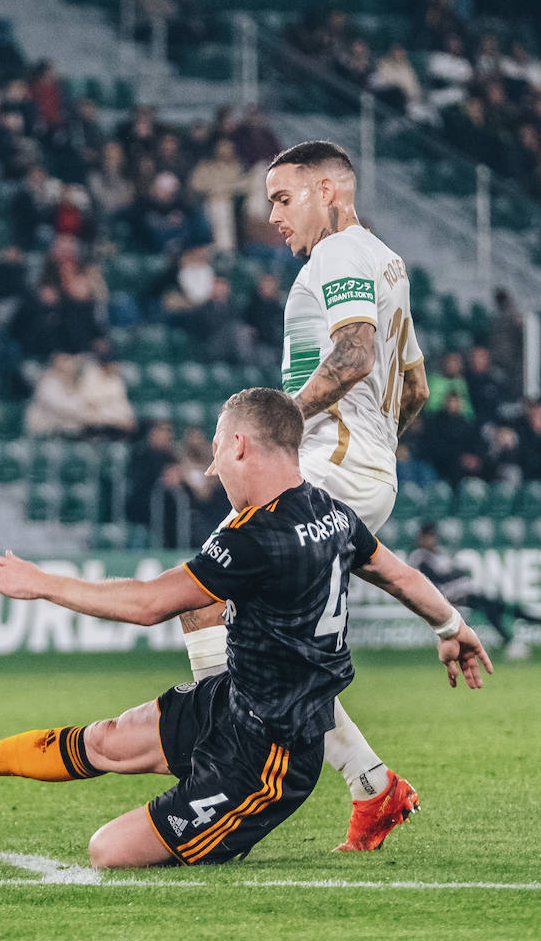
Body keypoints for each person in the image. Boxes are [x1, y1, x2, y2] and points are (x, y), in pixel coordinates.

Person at [0, 389, 491, 868]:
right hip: (235, 705)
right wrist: (451, 625)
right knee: (106, 740)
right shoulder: (331, 513)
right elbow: (400, 575)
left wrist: (42, 582)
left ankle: (237, 818)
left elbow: (150, 603)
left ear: (242, 446)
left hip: (268, 761)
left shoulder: (255, 537)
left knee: (108, 851)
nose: (211, 463)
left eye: (218, 449)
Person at [178, 141, 432, 852]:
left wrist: (269, 437)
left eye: (283, 199)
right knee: (269, 638)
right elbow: (415, 389)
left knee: (203, 596)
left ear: (329, 189)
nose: (272, 217)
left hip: (328, 464)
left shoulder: (341, 255)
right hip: (359, 468)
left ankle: (222, 764)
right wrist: (376, 454)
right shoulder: (387, 263)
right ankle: (372, 784)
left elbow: (352, 356)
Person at [407, 521, 541, 660]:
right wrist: (452, 576)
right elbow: (432, 579)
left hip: (467, 591)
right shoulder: (419, 557)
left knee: (502, 607)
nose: (432, 540)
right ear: (420, 538)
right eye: (428, 536)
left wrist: (455, 574)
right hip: (450, 597)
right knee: (492, 607)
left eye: (433, 536)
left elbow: (459, 571)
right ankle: (519, 640)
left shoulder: (440, 553)